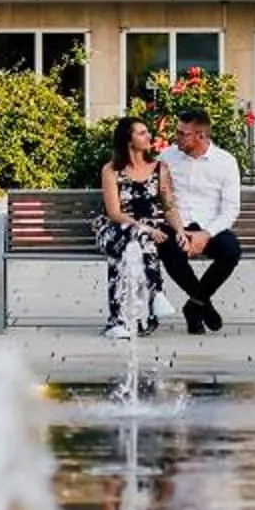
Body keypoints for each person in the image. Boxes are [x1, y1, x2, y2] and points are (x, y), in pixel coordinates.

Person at [155, 105, 243, 334]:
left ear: (201, 135)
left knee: (231, 250)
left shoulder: (225, 162)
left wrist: (206, 234)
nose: (177, 138)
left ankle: (194, 305)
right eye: (177, 132)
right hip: (177, 224)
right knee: (168, 249)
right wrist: (181, 232)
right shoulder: (167, 157)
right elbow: (162, 198)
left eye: (183, 133)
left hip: (209, 226)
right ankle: (203, 305)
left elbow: (231, 209)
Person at [93, 114, 175, 341]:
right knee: (132, 236)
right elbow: (114, 213)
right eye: (141, 132)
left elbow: (169, 206)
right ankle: (156, 294)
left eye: (147, 131)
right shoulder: (111, 170)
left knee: (133, 244)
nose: (148, 136)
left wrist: (180, 232)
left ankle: (117, 321)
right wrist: (145, 229)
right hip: (112, 229)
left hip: (144, 235)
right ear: (128, 140)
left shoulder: (161, 168)